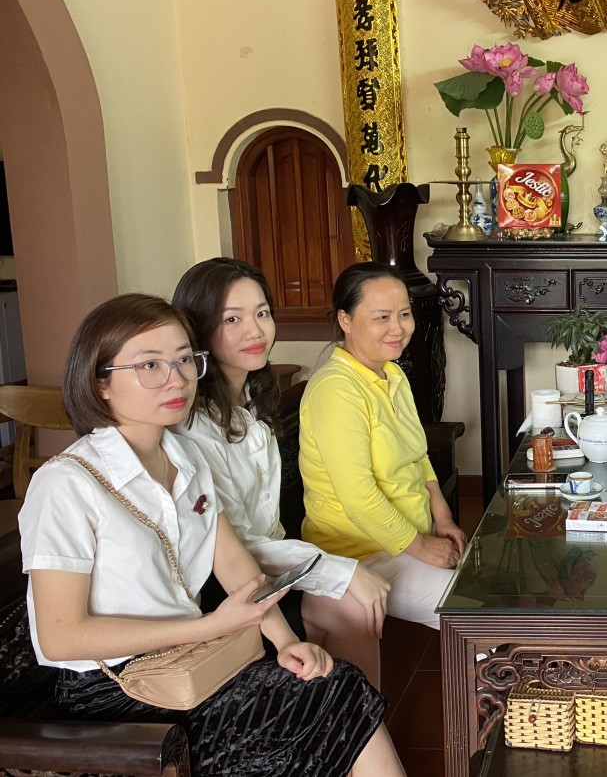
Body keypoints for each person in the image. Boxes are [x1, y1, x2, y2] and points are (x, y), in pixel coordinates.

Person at [19, 293, 404, 776]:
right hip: (115, 695)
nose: (176, 378)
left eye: (185, 359)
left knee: (332, 685)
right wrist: (211, 626)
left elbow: (234, 562)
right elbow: (60, 637)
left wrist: (285, 642)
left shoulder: (186, 459)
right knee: (332, 697)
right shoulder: (66, 483)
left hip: (194, 663)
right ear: (101, 383)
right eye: (150, 365)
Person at [172, 258, 391, 687]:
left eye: (262, 313)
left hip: (267, 572)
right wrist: (341, 570)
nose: (255, 331)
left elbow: (266, 532)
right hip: (220, 589)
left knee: (356, 606)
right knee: (352, 595)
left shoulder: (252, 401)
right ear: (198, 330)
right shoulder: (194, 427)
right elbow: (235, 546)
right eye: (232, 319)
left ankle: (352, 719)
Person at [300, 262, 466, 631]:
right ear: (345, 320)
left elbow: (418, 456)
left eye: (404, 314)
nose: (398, 328)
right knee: (481, 616)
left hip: (410, 536)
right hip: (363, 553)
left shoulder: (392, 373)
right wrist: (422, 548)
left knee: (502, 592)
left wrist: (442, 518)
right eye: (382, 317)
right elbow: (359, 497)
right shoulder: (336, 389)